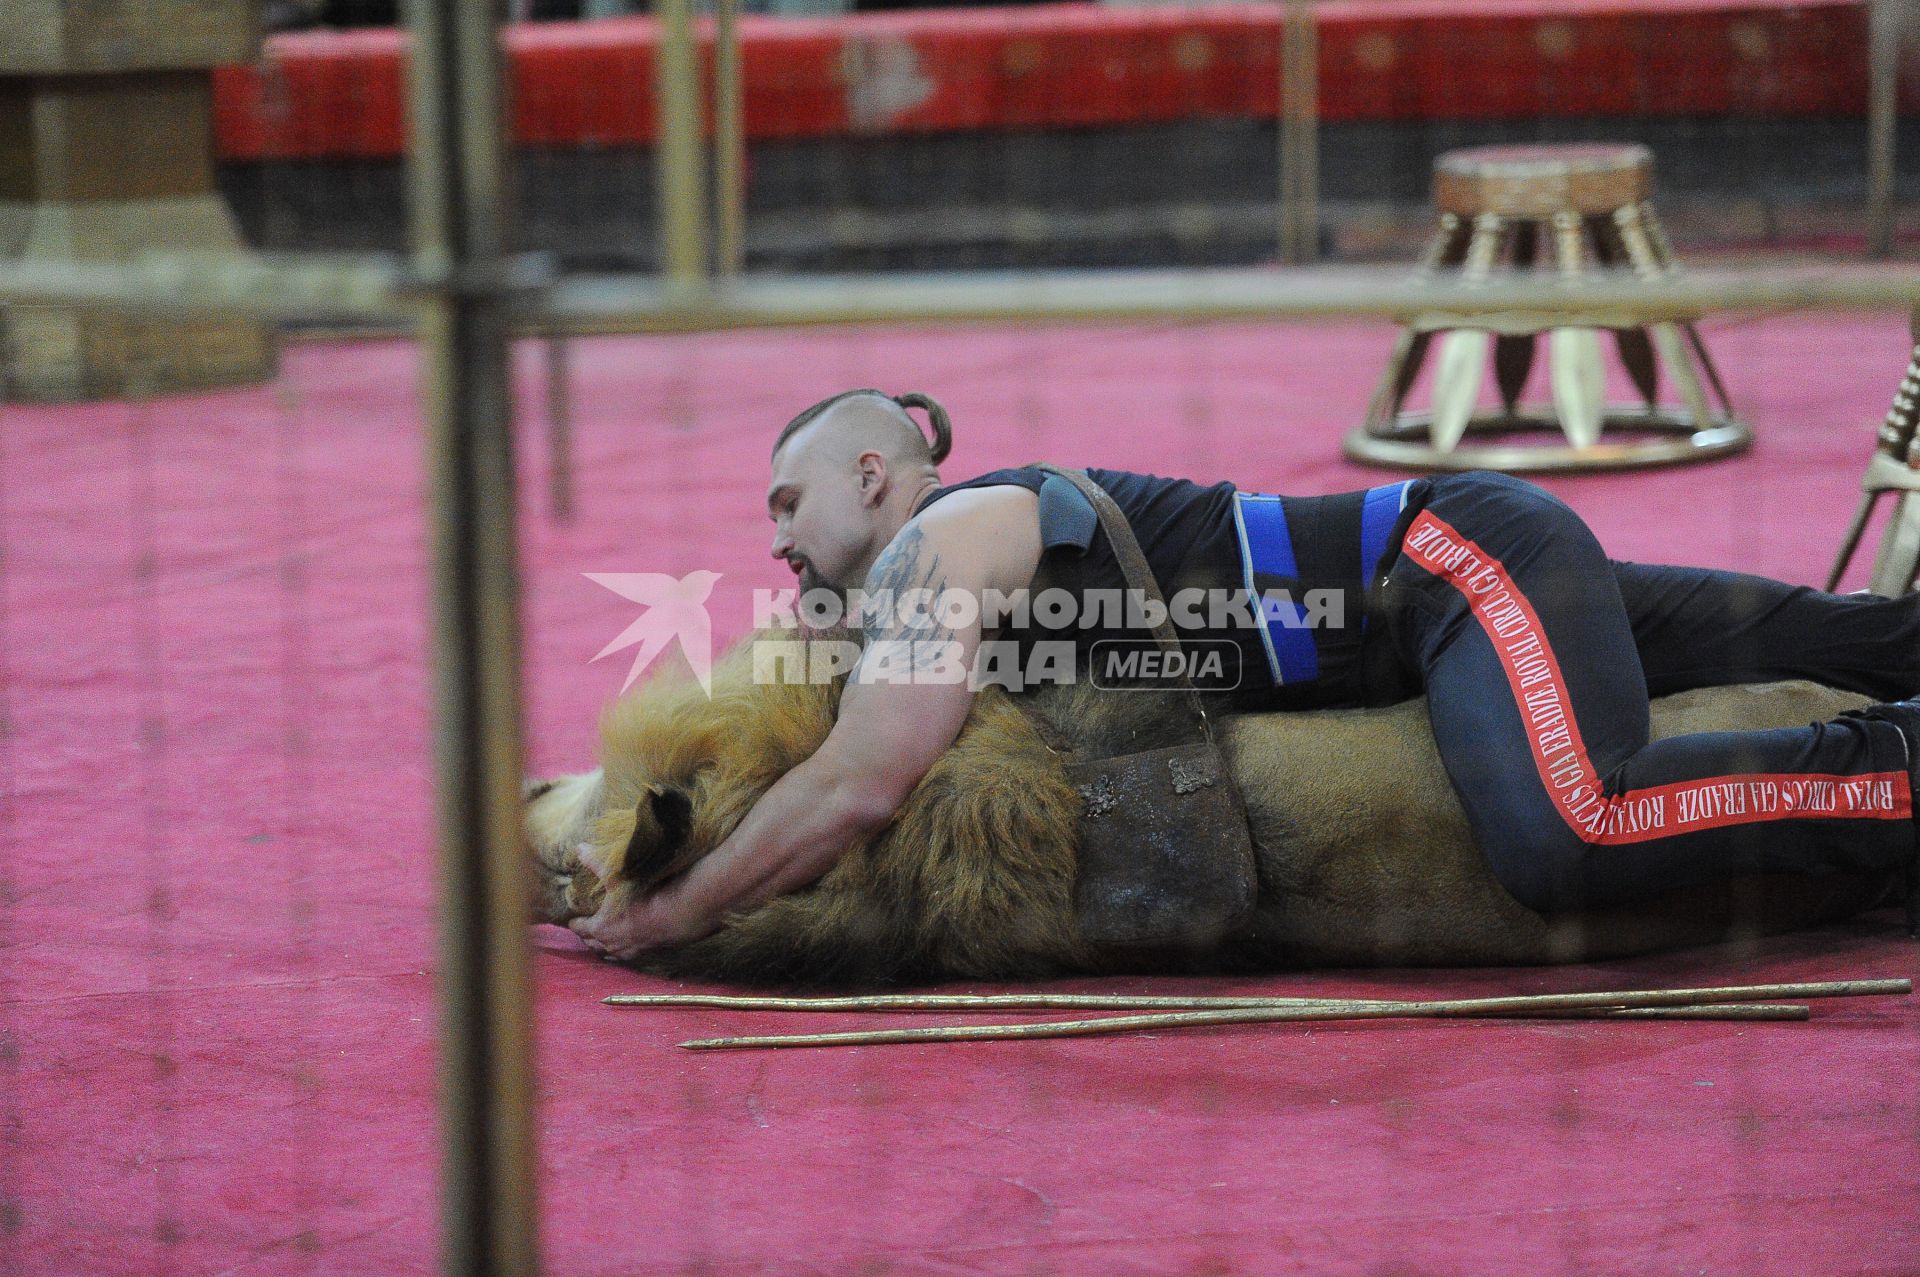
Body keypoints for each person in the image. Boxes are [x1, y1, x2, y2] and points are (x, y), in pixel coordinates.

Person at [570, 388, 1920, 960]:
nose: (774, 535)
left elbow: (868, 779)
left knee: (1571, 825)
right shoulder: (934, 573)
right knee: (1850, 633)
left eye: (788, 499)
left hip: (1447, 563)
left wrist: (671, 917)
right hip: (1438, 599)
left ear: (874, 476)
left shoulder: (949, 533)